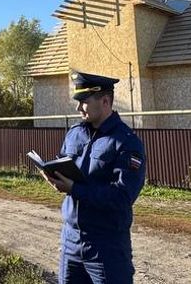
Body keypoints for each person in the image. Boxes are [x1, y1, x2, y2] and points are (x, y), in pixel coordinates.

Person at [41, 71, 146, 284]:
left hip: (106, 246)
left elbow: (122, 197)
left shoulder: (126, 143)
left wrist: (74, 189)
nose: (78, 108)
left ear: (105, 101)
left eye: (84, 102)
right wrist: (53, 175)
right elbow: (63, 162)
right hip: (71, 241)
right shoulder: (74, 133)